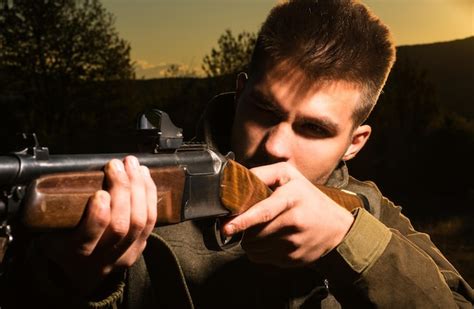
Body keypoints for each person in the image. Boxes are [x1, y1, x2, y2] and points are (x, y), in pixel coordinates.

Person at [1, 0, 472, 308]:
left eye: (313, 128)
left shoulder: (368, 213)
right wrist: (75, 282)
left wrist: (347, 242)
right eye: (264, 110)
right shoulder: (149, 196)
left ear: (355, 142)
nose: (275, 145)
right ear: (241, 91)